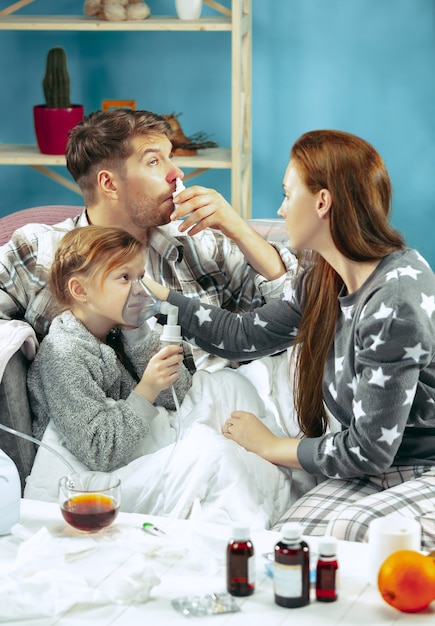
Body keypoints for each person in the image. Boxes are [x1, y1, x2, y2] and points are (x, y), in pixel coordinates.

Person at [140, 129, 435, 550]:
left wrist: (272, 445)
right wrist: (159, 296)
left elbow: (369, 451)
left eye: (286, 194)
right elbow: (241, 336)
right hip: (378, 469)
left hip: (421, 466)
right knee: (284, 541)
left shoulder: (395, 301)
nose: (279, 209)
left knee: (346, 537)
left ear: (322, 202)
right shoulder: (324, 278)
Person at [25, 225, 293, 527]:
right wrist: (147, 389)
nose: (140, 289)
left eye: (140, 277)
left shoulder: (118, 330)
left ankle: (278, 458)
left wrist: (138, 336)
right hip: (91, 475)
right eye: (125, 278)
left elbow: (175, 394)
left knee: (230, 385)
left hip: (135, 437)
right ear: (80, 290)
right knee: (212, 454)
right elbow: (99, 451)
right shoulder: (64, 353)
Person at [0, 108, 294, 371]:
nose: (177, 173)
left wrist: (239, 230)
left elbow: (292, 315)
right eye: (154, 161)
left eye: (171, 157)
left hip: (217, 416)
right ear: (109, 183)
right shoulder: (39, 251)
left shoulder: (199, 243)